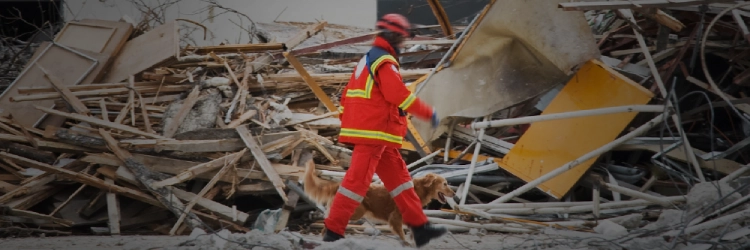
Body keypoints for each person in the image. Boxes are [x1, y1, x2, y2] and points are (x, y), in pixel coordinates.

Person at [323, 13, 447, 247]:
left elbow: (345, 97)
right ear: (392, 36)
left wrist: (353, 123)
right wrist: (427, 112)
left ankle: (420, 228)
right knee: (356, 183)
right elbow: (396, 94)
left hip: (375, 133)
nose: (402, 43)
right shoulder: (384, 61)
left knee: (401, 181)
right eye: (401, 38)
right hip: (375, 132)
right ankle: (333, 231)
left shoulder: (369, 59)